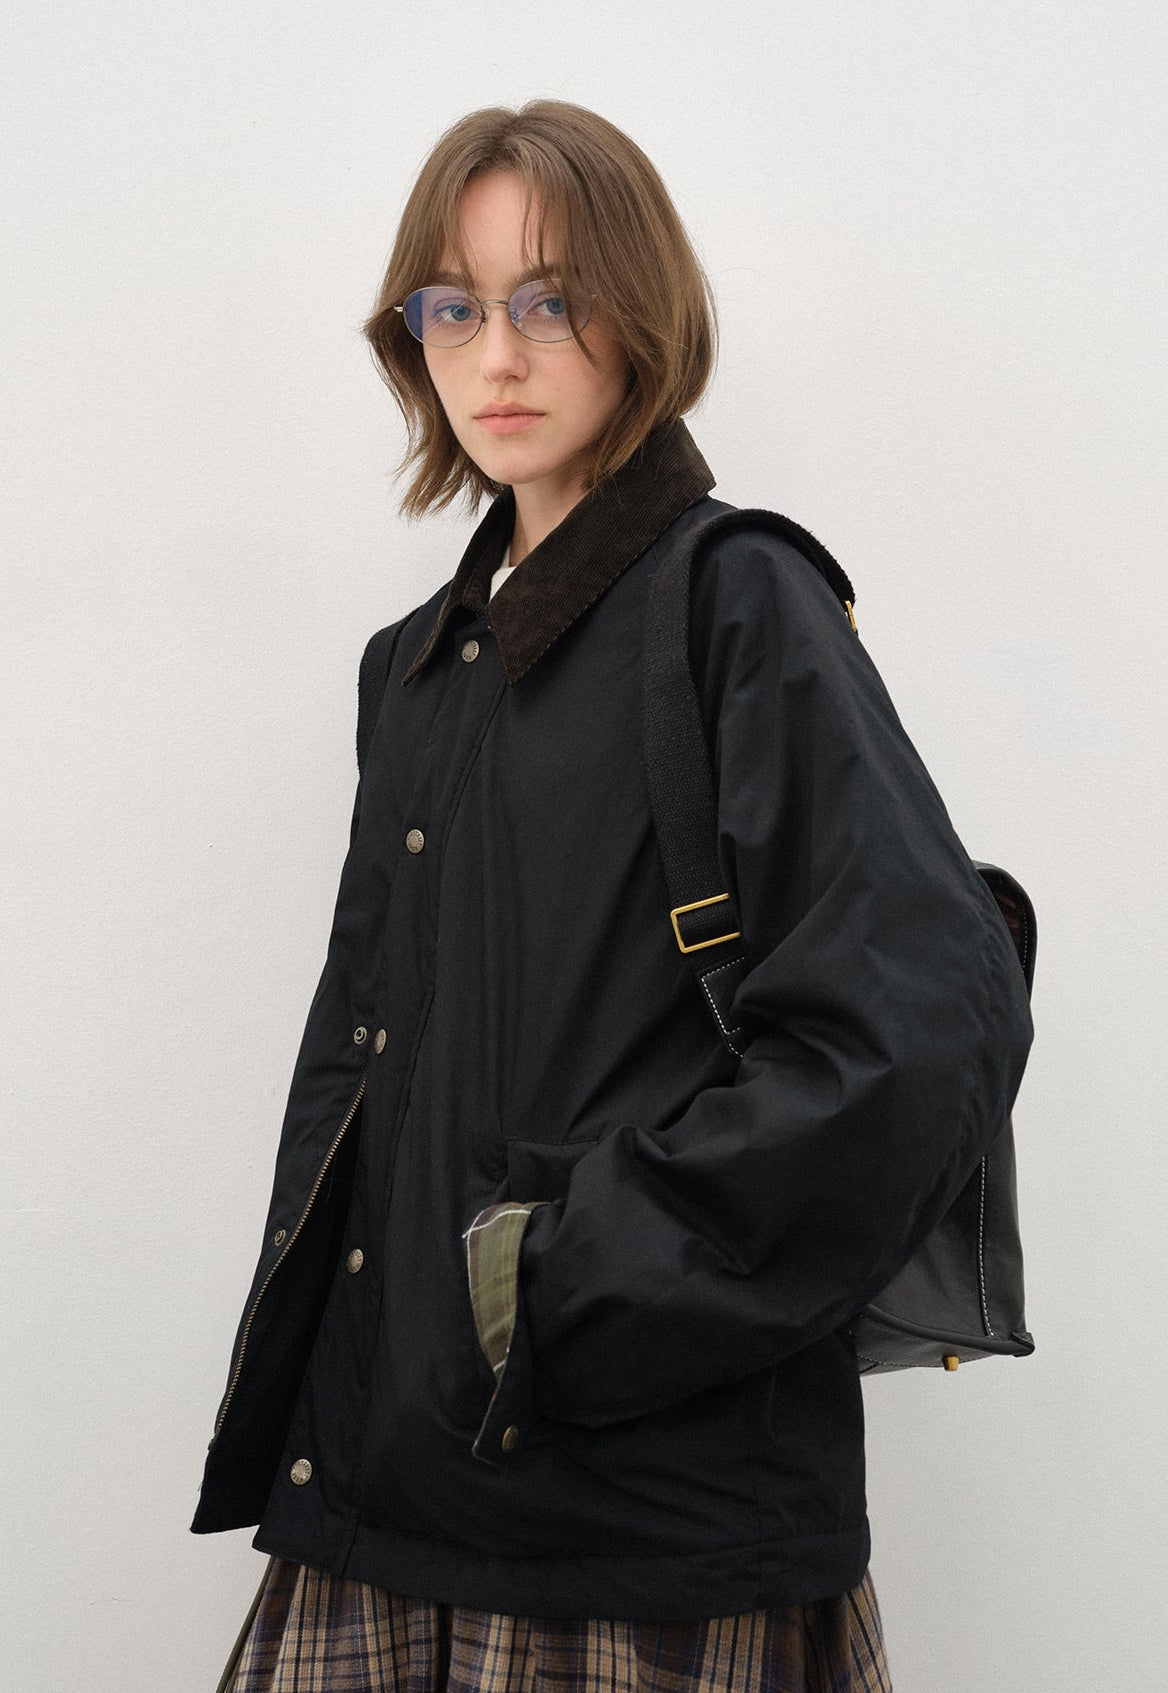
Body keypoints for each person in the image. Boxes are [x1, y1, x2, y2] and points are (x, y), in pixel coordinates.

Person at [194, 100, 1033, 1693]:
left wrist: (553, 1284)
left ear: (639, 316)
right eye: (454, 307)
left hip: (637, 1540)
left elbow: (924, 1029)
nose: (497, 355)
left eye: (550, 300)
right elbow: (359, 1076)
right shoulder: (414, 670)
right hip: (375, 1495)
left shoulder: (737, 602)